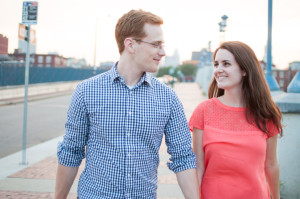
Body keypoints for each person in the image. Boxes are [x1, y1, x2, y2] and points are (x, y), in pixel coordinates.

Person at [55, 9, 199, 199]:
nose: (162, 52)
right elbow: (71, 152)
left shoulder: (168, 98)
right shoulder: (86, 91)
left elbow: (183, 158)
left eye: (162, 45)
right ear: (130, 44)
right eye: (156, 45)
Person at [189, 41, 282, 199]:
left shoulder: (266, 114)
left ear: (245, 70)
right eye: (216, 64)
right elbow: (198, 167)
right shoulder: (204, 111)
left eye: (226, 64)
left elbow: (271, 165)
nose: (218, 70)